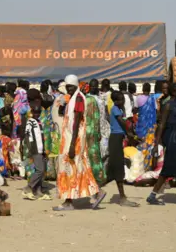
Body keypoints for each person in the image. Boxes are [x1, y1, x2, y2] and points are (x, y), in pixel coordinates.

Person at [54, 74, 105, 211]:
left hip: (74, 139)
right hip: (70, 138)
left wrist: (71, 145)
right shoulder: (73, 99)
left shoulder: (78, 99)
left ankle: (68, 202)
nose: (68, 89)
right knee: (80, 166)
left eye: (70, 86)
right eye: (67, 87)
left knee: (69, 167)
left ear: (76, 86)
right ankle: (97, 192)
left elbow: (77, 122)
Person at [103, 91, 139, 206]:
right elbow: (121, 122)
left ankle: (98, 191)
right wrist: (130, 132)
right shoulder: (115, 109)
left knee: (114, 170)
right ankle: (122, 197)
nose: (122, 101)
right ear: (114, 101)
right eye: (119, 100)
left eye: (122, 99)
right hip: (115, 139)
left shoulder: (120, 110)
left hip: (118, 139)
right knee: (117, 168)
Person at [22, 89, 51, 200]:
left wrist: (47, 147)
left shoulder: (42, 112)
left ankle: (37, 190)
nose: (29, 102)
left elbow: (47, 131)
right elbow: (25, 131)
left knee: (39, 168)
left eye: (31, 100)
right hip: (32, 146)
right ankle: (31, 189)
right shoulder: (29, 112)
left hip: (41, 146)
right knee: (33, 168)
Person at [84, 81, 105, 185]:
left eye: (94, 86)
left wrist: (100, 130)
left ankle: (97, 175)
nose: (93, 88)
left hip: (96, 129)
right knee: (90, 154)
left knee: (95, 153)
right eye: (91, 86)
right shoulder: (87, 99)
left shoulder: (100, 98)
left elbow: (100, 116)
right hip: (88, 130)